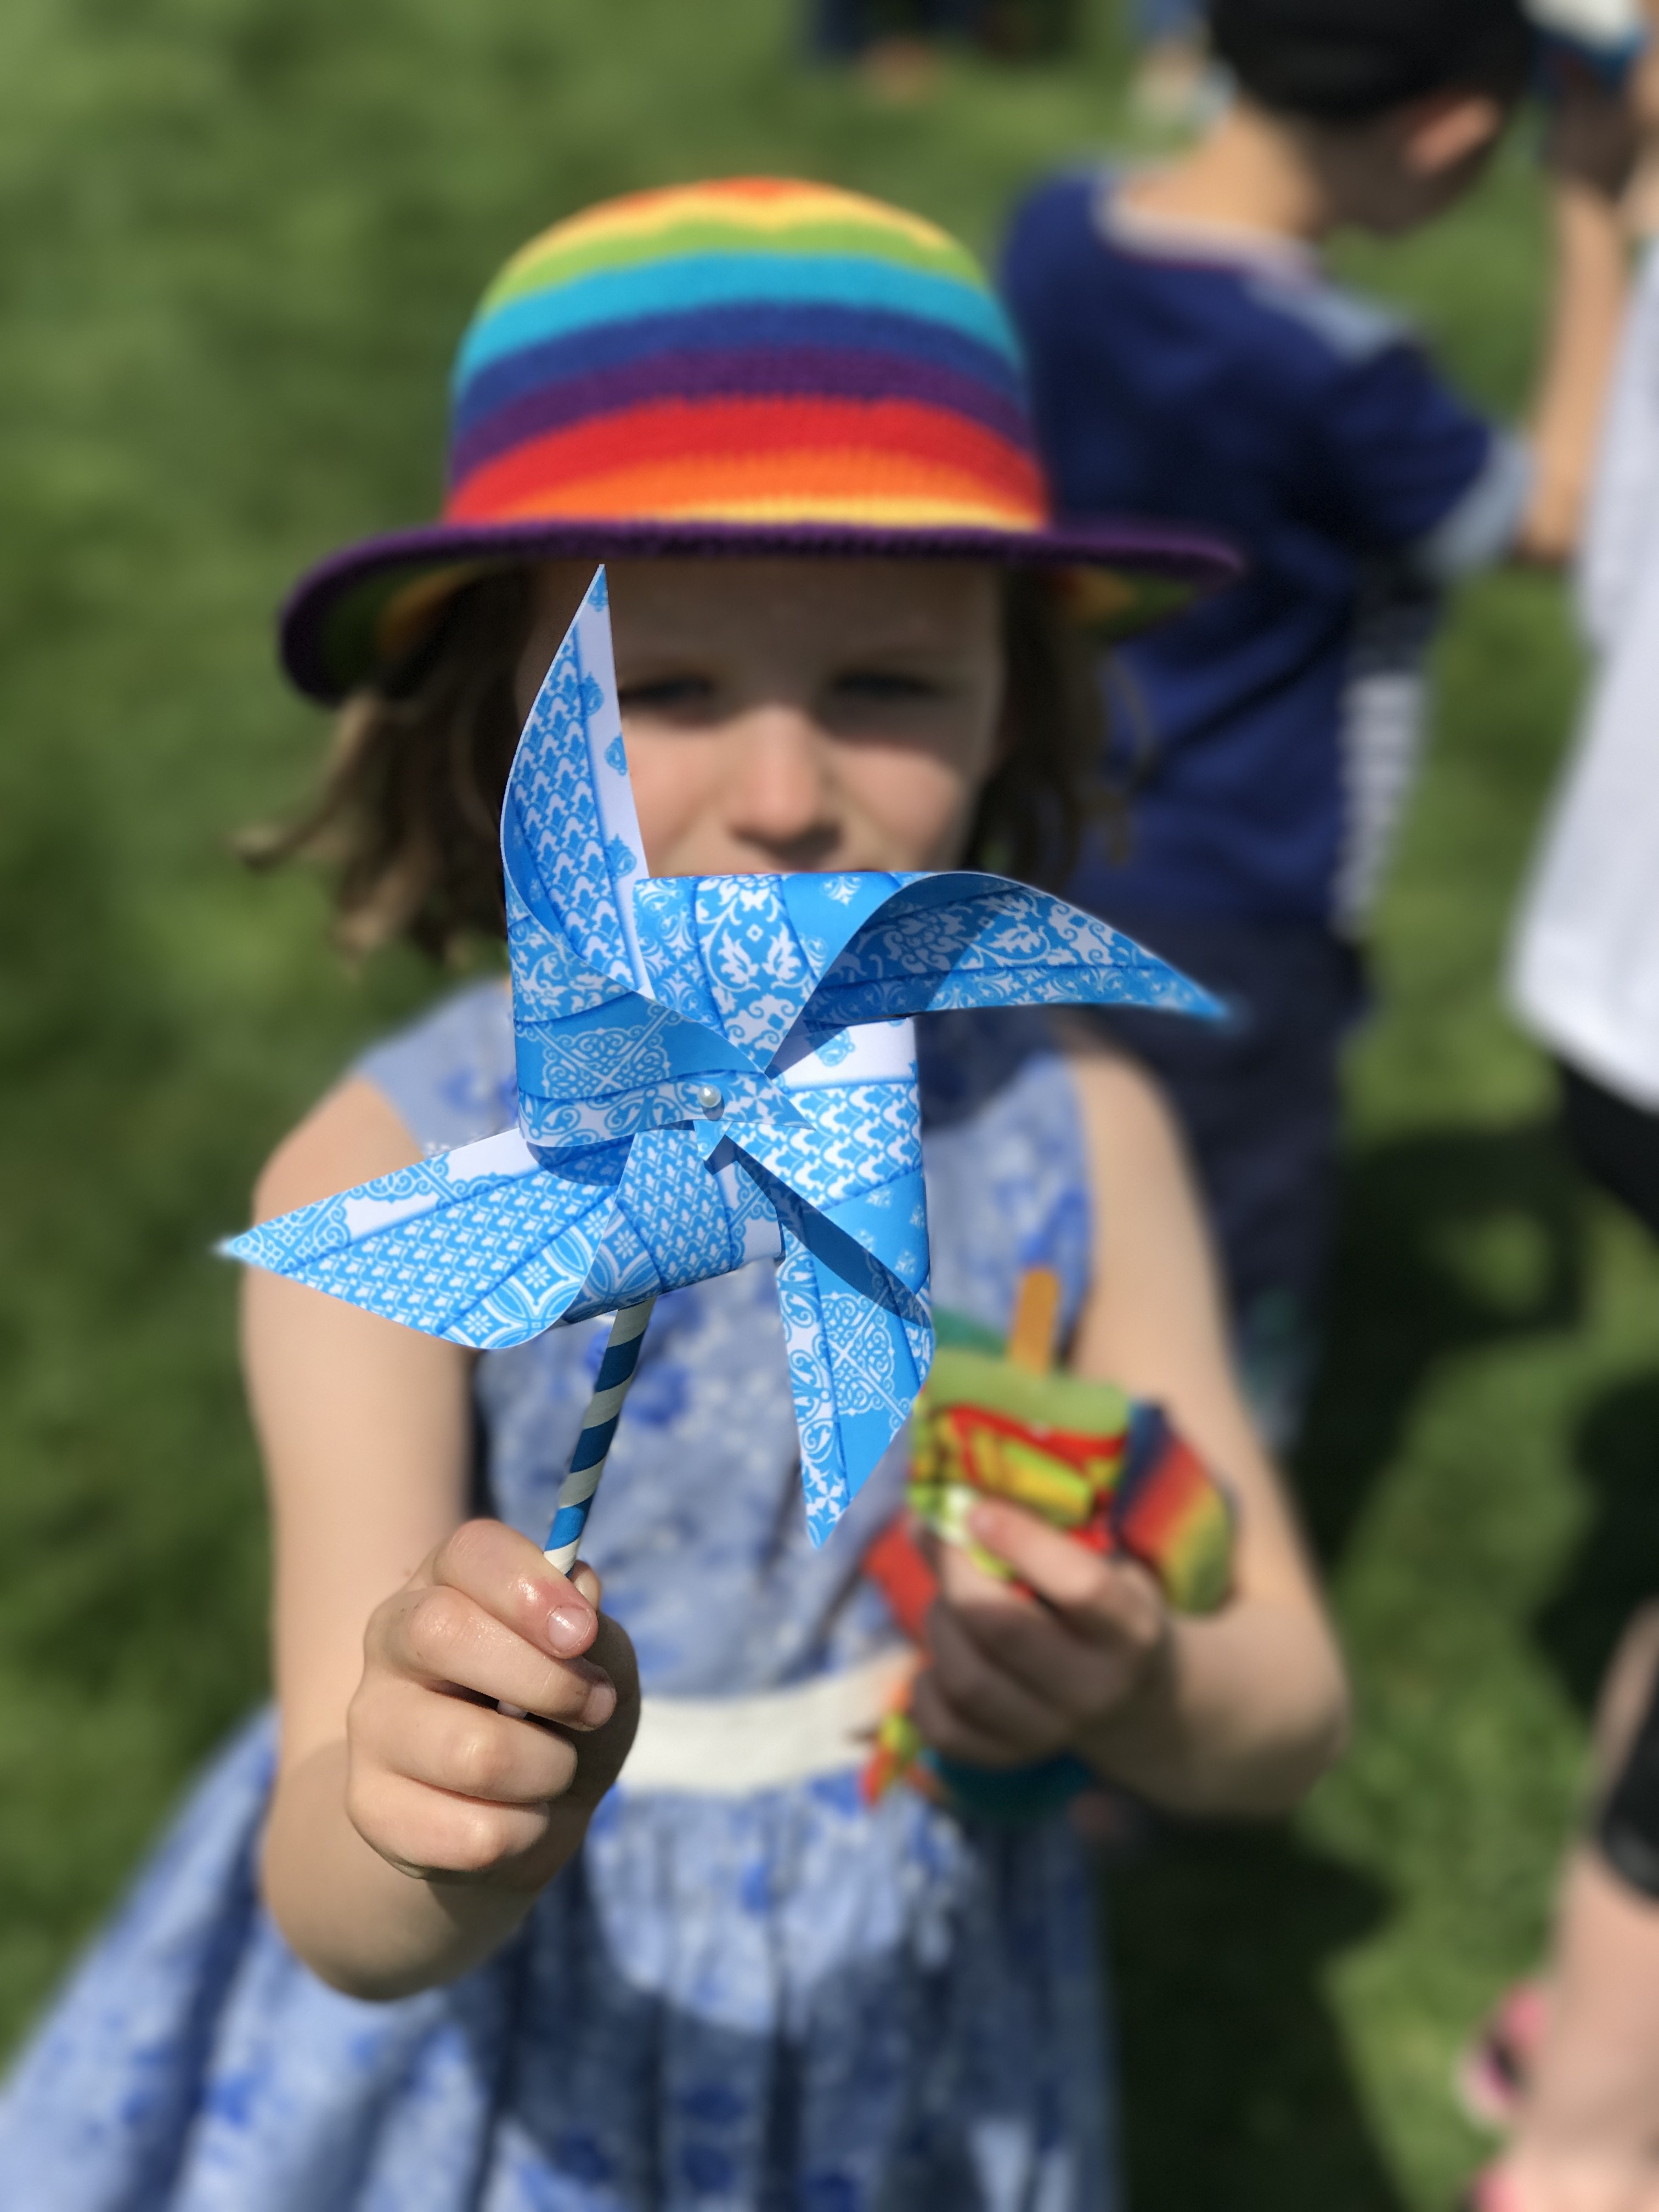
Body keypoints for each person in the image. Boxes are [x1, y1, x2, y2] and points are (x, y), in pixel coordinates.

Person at [0, 179, 1347, 2211]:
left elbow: (1290, 1718)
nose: (785, 797)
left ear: (1014, 696)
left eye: (886, 686)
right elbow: (341, 1910)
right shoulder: (384, 1178)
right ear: (499, 718)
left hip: (914, 2020)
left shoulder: (1080, 1135)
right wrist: (439, 1819)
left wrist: (1146, 1683)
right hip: (504, 2044)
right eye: (665, 690)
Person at [1002, 0, 1633, 1447]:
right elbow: (1550, 515)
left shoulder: (1060, 227)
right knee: (1217, 1274)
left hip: (1039, 829)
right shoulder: (1337, 367)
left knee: (1043, 1202)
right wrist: (1589, 212)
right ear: (1452, 132)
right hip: (1245, 896)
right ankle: (1207, 1529)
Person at [1460, 54, 1659, 2200]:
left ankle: (1583, 2023)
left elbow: (1604, 563)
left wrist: (1596, 211)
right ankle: (1589, 2148)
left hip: (1621, 984)